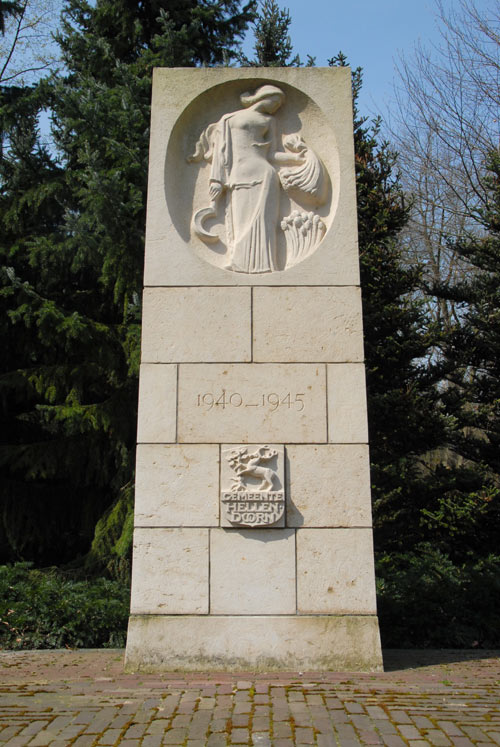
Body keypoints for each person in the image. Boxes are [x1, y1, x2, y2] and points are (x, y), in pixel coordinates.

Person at [189, 85, 303, 273]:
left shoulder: (270, 121)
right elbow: (220, 151)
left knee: (265, 223)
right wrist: (216, 180)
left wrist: (295, 159)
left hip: (265, 175)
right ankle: (239, 262)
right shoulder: (229, 119)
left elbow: (273, 154)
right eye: (275, 101)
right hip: (239, 176)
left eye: (280, 104)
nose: (277, 106)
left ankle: (266, 265)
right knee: (240, 222)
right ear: (263, 97)